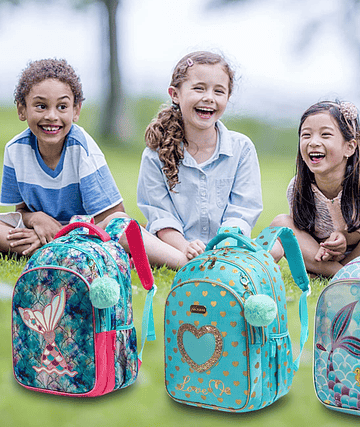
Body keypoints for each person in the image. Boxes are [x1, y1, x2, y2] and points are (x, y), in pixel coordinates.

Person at [0, 58, 186, 268]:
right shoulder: (15, 150)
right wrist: (36, 219)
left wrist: (63, 234)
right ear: (21, 109)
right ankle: (61, 252)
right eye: (41, 106)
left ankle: (185, 263)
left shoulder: (81, 149)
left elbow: (115, 217)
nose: (51, 116)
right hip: (44, 232)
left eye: (62, 106)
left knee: (122, 227)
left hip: (88, 234)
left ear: (76, 110)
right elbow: (21, 211)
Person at [137, 51, 262, 263]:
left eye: (219, 91)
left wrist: (221, 247)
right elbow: (161, 216)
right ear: (175, 94)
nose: (209, 98)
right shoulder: (154, 154)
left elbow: (242, 212)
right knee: (122, 226)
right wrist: (186, 247)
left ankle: (212, 262)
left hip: (227, 248)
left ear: (228, 97)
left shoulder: (242, 149)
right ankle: (186, 262)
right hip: (176, 249)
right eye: (199, 88)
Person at [270, 100, 360, 277]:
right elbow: (303, 234)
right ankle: (341, 274)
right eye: (306, 135)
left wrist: (347, 237)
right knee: (280, 223)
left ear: (349, 147)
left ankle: (336, 272)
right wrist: (326, 248)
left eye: (325, 135)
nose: (313, 142)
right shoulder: (297, 187)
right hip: (322, 258)